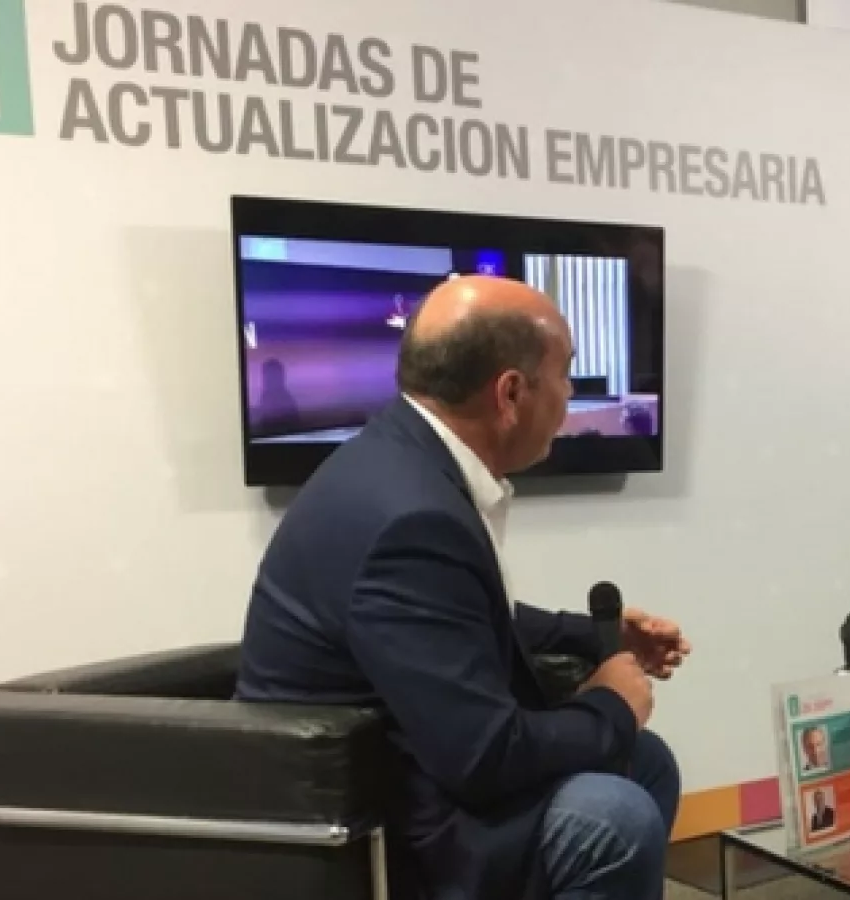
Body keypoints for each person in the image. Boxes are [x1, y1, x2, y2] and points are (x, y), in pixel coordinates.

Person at [235, 275, 692, 900]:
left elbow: (460, 614)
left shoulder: (402, 460)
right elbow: (485, 757)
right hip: (378, 819)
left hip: (400, 766)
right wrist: (612, 706)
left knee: (647, 763)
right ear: (511, 393)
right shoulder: (411, 517)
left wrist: (598, 636)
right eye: (565, 374)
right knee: (613, 821)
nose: (570, 394)